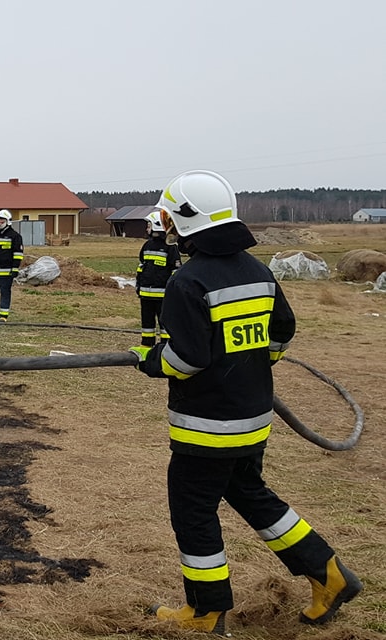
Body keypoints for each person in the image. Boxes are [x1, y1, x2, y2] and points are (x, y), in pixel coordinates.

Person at [130, 170, 360, 635]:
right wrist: (252, 363)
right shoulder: (258, 271)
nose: (168, 225)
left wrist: (150, 360)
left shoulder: (188, 281)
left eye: (171, 217)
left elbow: (185, 359)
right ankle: (328, 573)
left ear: (185, 220)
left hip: (206, 426)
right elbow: (281, 333)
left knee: (193, 513)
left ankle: (206, 611)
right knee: (251, 495)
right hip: (251, 420)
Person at [135, 210, 182, 346]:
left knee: (165, 323)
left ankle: (165, 346)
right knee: (147, 323)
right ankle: (147, 345)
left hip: (163, 296)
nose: (147, 228)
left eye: (149, 225)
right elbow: (141, 267)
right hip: (145, 294)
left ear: (157, 226)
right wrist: (138, 286)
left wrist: (173, 292)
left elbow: (176, 271)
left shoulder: (171, 247)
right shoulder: (147, 245)